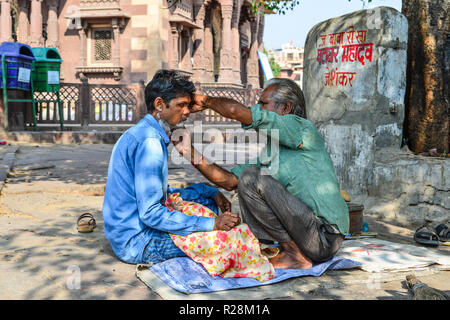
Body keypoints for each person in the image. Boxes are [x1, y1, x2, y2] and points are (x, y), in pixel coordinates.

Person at [173, 78, 349, 269]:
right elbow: (230, 181)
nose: (257, 108)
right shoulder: (270, 150)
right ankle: (290, 250)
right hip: (309, 234)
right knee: (247, 179)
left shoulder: (301, 128)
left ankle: (293, 255)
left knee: (250, 177)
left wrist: (206, 101)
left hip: (324, 236)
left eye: (263, 103)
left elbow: (236, 112)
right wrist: (188, 151)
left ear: (286, 108)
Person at [102, 69, 240, 264]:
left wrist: (209, 191)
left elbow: (157, 193)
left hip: (132, 229)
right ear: (159, 104)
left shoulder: (146, 133)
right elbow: (150, 212)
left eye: (188, 106)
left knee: (208, 201)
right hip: (137, 241)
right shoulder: (149, 143)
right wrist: (212, 224)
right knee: (228, 242)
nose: (187, 112)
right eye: (181, 105)